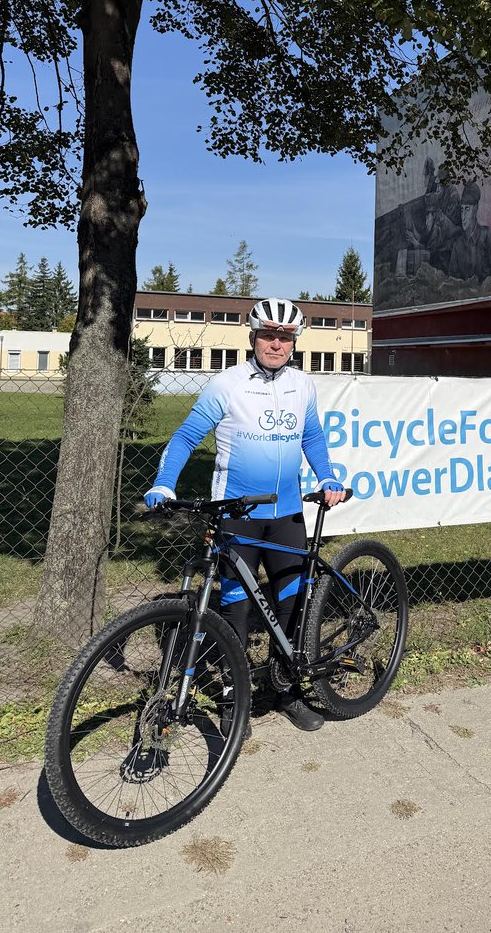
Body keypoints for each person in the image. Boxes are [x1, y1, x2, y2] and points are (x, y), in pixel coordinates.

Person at [144, 296, 345, 733]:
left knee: (291, 602)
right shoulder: (228, 383)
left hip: (288, 513)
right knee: (235, 603)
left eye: (285, 337)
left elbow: (312, 437)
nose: (277, 343)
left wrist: (328, 476)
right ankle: (237, 698)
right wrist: (165, 482)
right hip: (237, 513)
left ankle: (288, 691)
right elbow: (184, 437)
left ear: (294, 341)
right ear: (253, 337)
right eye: (269, 335)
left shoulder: (303, 385)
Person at [447, 182, 491, 283]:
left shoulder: (487, 235)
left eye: (467, 209)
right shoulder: (457, 245)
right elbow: (452, 281)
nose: (463, 216)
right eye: (462, 210)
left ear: (476, 209)